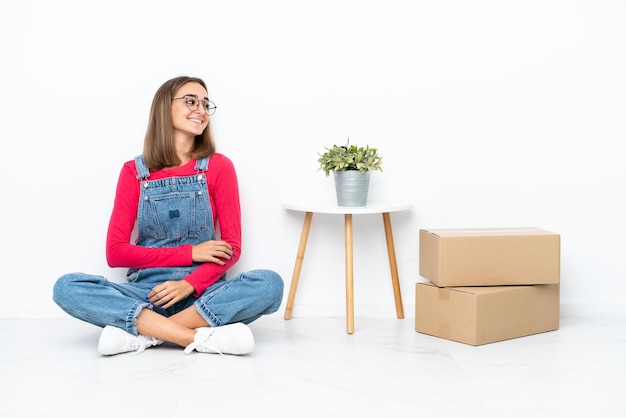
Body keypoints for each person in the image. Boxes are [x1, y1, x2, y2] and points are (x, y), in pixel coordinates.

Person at [53, 76, 284, 356]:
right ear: (165, 107)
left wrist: (189, 283)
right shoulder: (134, 172)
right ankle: (196, 337)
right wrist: (190, 254)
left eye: (205, 104)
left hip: (203, 293)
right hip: (147, 294)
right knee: (66, 287)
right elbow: (116, 253)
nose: (200, 109)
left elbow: (231, 249)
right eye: (190, 101)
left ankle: (147, 333)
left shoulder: (218, 167)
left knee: (269, 283)